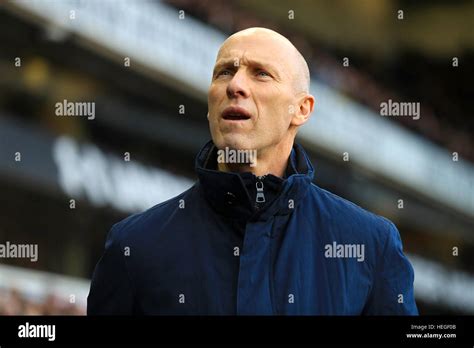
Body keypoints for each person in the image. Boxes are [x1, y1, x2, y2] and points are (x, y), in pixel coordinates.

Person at [87, 27, 418, 315]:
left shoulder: (372, 244)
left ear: (301, 109)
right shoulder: (133, 244)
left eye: (261, 73)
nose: (235, 85)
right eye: (224, 72)